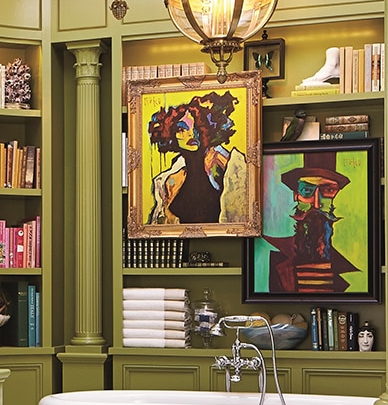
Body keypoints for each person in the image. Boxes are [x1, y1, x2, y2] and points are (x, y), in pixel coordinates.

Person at [146, 90, 248, 225]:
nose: (191, 134)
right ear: (170, 134)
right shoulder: (170, 179)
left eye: (197, 127)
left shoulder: (225, 167)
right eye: (182, 129)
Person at [264, 150, 359, 295]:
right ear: (296, 195)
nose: (316, 203)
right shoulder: (276, 258)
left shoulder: (352, 261)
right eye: (307, 190)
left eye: (328, 190)